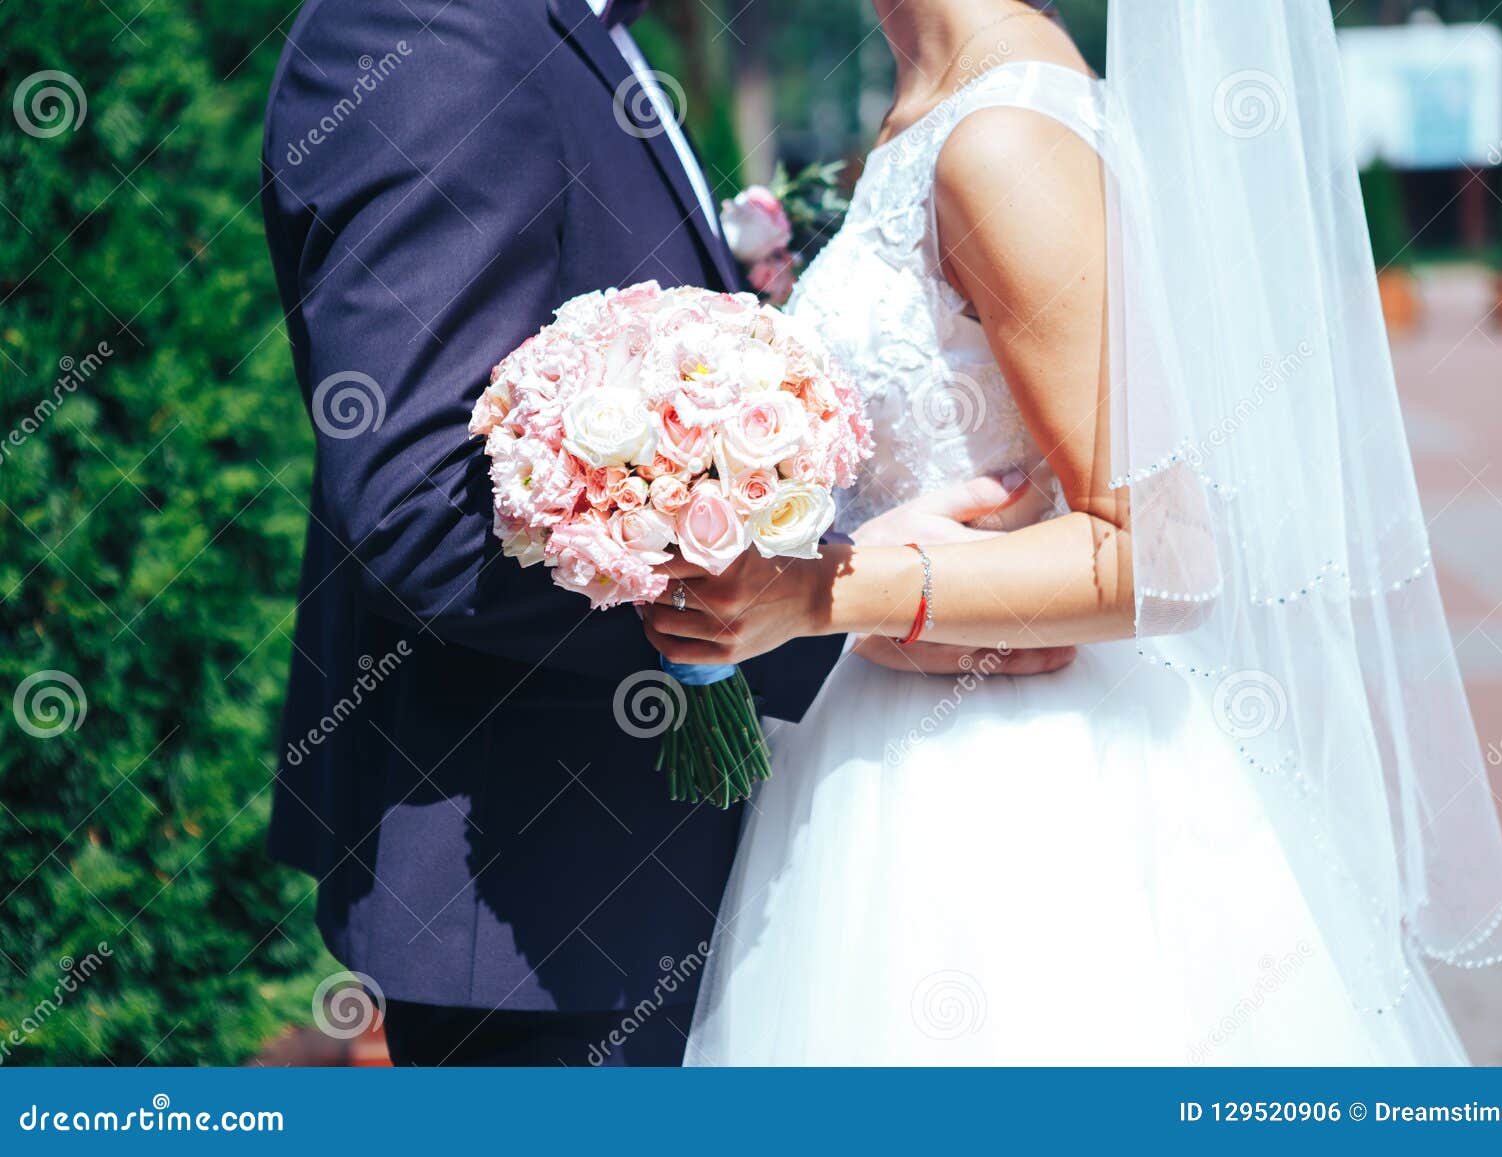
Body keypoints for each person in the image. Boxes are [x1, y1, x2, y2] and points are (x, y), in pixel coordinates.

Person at [652, 0, 1502, 1064]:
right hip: (898, 754)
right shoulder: (928, 100)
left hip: (1023, 798)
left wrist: (821, 592)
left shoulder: (1000, 134)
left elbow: (1159, 550)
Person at [258, 0, 1072, 1066]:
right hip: (548, 909)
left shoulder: (580, 32)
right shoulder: (431, 33)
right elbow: (424, 514)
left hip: (677, 876)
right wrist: (826, 598)